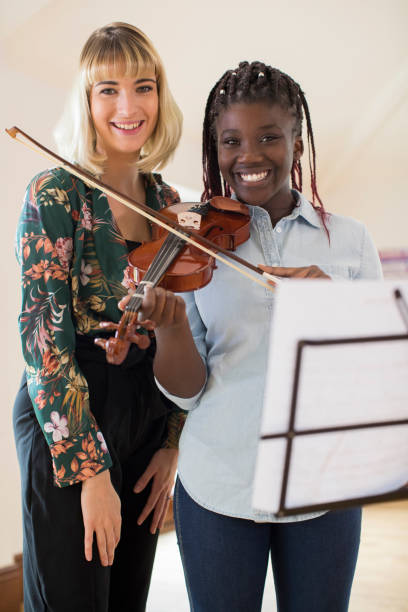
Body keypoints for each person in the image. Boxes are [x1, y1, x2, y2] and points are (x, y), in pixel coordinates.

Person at [126, 61, 383, 611]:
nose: (249, 155)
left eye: (270, 137)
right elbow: (187, 391)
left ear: (297, 141)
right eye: (231, 141)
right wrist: (171, 327)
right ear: (214, 147)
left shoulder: (351, 243)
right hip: (219, 481)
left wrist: (334, 307)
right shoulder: (193, 246)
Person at [13, 22, 184, 612]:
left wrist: (171, 441)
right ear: (86, 101)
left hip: (144, 408)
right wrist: (91, 473)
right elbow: (45, 346)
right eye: (107, 89)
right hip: (72, 410)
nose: (128, 106)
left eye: (143, 86)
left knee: (128, 600)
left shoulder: (168, 205)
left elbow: (186, 334)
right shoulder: (55, 194)